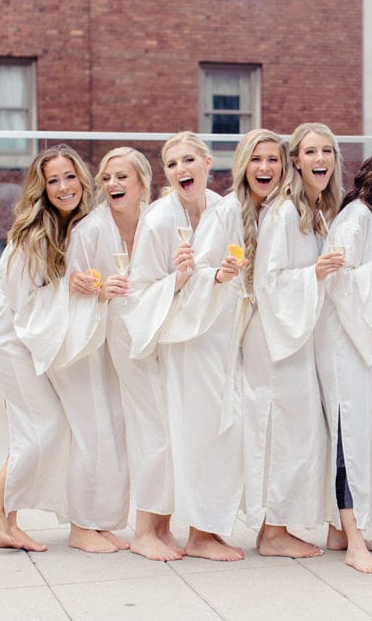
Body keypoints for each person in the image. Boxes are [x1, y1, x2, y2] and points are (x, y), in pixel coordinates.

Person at [0, 144, 92, 551]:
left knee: (19, 424)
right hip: (0, 327)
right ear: (41, 189)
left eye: (69, 177)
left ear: (82, 178)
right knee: (45, 423)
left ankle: (5, 526)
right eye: (53, 181)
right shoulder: (35, 230)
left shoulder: (73, 224)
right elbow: (23, 297)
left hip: (9, 322)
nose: (64, 187)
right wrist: (70, 286)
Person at [125, 132, 240, 561]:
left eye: (188, 160)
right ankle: (183, 532)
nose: (180, 170)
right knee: (179, 435)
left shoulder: (226, 210)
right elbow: (138, 292)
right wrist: (178, 277)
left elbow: (235, 265)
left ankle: (202, 529)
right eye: (171, 164)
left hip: (214, 338)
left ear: (208, 163)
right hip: (172, 345)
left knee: (213, 434)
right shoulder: (157, 220)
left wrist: (227, 272)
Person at [244, 122, 344, 558]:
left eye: (327, 151)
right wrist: (314, 274)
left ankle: (296, 524)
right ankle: (272, 531)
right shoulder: (284, 212)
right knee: (282, 431)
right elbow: (268, 281)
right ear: (296, 160)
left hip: (301, 334)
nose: (320, 159)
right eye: (310, 152)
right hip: (276, 337)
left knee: (305, 432)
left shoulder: (319, 209)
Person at [315, 148, 372, 573]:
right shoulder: (355, 218)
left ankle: (341, 531)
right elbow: (338, 281)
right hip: (343, 342)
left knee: (357, 433)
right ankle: (354, 542)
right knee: (347, 434)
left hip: (364, 339)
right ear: (371, 179)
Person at [48, 149, 145, 554]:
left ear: (142, 180)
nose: (113, 185)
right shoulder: (89, 230)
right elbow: (70, 285)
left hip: (118, 343)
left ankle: (101, 520)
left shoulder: (156, 220)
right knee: (89, 431)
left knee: (113, 429)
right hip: (82, 344)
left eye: (122, 176)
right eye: (106, 178)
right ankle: (79, 525)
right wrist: (98, 293)